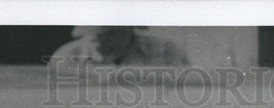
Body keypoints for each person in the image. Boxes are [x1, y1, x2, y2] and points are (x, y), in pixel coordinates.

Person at [51, 26, 188, 67]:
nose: (101, 40)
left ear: (130, 28)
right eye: (95, 34)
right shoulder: (66, 56)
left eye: (110, 33)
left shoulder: (167, 51)